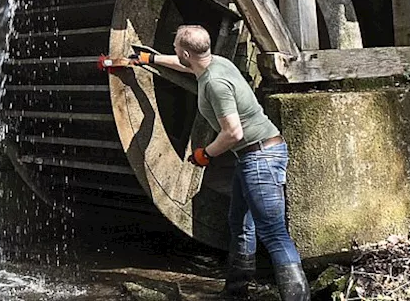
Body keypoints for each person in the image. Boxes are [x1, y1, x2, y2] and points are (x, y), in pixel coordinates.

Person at [126, 25, 308, 301]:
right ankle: (236, 292)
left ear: (186, 51)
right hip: (250, 157)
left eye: (175, 47)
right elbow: (186, 66)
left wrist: (205, 154)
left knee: (272, 232)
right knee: (240, 222)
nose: (174, 50)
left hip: (261, 157)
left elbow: (233, 132)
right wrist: (151, 59)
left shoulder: (214, 84)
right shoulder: (215, 63)